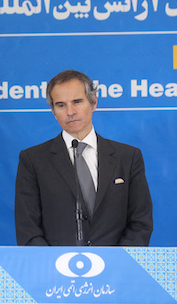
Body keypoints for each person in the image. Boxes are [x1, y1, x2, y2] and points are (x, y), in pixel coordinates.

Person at [14, 70, 153, 246]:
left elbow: (140, 222)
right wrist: (52, 267)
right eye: (61, 105)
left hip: (116, 269)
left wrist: (118, 265)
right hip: (54, 270)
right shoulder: (32, 160)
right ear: (53, 111)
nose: (70, 112)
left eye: (77, 102)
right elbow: (28, 228)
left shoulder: (128, 157)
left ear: (93, 102)